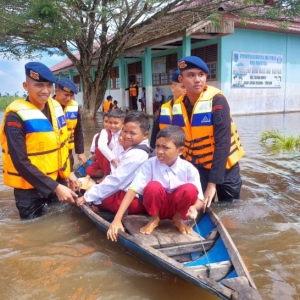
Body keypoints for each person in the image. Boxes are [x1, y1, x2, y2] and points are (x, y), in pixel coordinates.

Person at [0, 62, 79, 219]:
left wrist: (68, 172)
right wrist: (55, 187)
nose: (45, 91)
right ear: (25, 86)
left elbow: (62, 145)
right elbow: (20, 162)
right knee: (33, 232)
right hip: (29, 190)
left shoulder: (56, 107)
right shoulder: (15, 117)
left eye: (49, 85)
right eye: (39, 85)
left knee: (60, 223)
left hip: (57, 181)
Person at [106, 126, 204, 241]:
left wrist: (193, 208)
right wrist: (117, 219)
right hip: (157, 207)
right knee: (153, 187)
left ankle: (177, 219)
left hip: (177, 209)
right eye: (157, 146)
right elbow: (133, 190)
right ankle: (154, 219)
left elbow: (200, 200)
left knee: (190, 189)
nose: (159, 151)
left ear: (180, 151)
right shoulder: (150, 164)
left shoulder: (189, 169)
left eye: (166, 148)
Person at [172, 56, 245, 211]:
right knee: (201, 206)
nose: (197, 79)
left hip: (225, 167)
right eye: (191, 75)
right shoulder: (177, 106)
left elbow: (223, 142)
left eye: (201, 74)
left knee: (231, 209)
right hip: (198, 166)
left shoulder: (217, 101)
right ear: (181, 79)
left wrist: (213, 184)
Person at [76, 111, 150, 215]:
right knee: (94, 188)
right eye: (124, 131)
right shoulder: (126, 144)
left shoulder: (137, 154)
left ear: (145, 135)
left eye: (133, 133)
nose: (127, 136)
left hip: (133, 201)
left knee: (94, 195)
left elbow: (116, 180)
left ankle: (99, 206)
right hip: (123, 190)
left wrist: (87, 196)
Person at [54, 78, 87, 168]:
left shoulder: (74, 107)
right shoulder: (48, 106)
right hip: (53, 150)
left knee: (69, 170)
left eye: (71, 95)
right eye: (66, 95)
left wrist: (80, 151)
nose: (68, 98)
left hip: (68, 150)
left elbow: (78, 130)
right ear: (56, 91)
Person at [86, 109, 125, 181]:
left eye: (116, 123)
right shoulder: (104, 132)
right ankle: (107, 173)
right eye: (109, 122)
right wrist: (115, 162)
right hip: (108, 161)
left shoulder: (125, 132)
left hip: (122, 159)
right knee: (89, 170)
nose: (112, 125)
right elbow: (101, 147)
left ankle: (107, 174)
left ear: (123, 123)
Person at [150, 70, 185, 149]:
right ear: (173, 87)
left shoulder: (193, 109)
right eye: (183, 87)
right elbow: (155, 135)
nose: (186, 91)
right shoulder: (163, 110)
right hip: (166, 154)